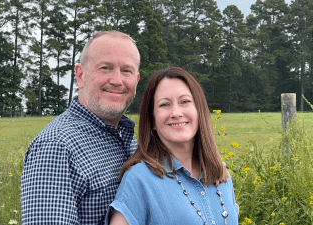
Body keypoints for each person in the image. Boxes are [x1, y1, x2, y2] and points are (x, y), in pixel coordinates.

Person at [21, 31, 140, 224]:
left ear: (136, 80)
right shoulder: (56, 147)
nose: (117, 80)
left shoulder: (129, 140)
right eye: (105, 68)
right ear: (80, 75)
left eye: (127, 70)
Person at [108, 67, 239, 225]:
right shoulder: (139, 179)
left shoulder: (220, 175)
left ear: (199, 111)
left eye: (185, 101)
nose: (176, 113)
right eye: (164, 104)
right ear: (153, 120)